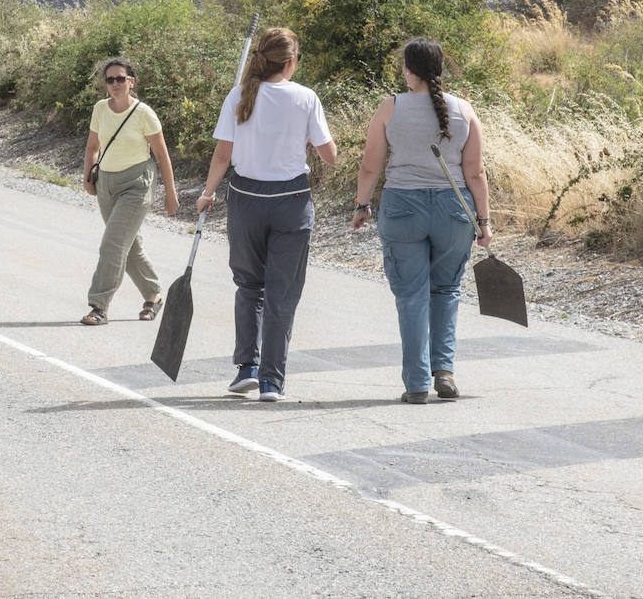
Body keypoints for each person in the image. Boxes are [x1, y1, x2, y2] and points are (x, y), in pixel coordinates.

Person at [198, 27, 336, 402]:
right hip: (291, 200)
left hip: (245, 198)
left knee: (249, 285)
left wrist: (208, 193)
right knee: (282, 293)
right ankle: (271, 382)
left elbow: (222, 155)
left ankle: (247, 367)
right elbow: (330, 155)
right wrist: (309, 142)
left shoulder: (239, 94)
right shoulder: (306, 98)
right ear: (291, 62)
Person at [351, 37, 492, 404]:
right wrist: (484, 221)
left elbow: (370, 165)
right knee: (445, 291)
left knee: (411, 296)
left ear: (409, 71)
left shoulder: (390, 108)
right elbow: (476, 173)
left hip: (403, 208)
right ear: (440, 69)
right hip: (453, 209)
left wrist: (361, 206)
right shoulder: (464, 110)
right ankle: (443, 371)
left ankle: (416, 384)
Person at [80, 57, 180, 325]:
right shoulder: (100, 109)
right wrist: (88, 178)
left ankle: (98, 306)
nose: (115, 84)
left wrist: (170, 194)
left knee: (112, 243)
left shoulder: (143, 114)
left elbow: (162, 156)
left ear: (131, 82)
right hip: (106, 184)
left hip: (137, 184)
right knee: (128, 245)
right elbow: (92, 147)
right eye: (110, 79)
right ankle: (153, 294)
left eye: (120, 79)